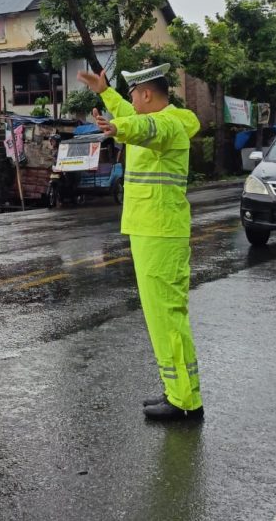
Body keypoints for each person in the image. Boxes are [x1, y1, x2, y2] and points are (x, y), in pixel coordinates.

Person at [77, 63, 204, 422]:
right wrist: (106, 93)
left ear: (147, 94)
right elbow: (132, 114)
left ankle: (185, 402)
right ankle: (178, 392)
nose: (131, 100)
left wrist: (118, 127)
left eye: (134, 94)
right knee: (160, 317)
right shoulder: (162, 117)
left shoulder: (168, 124)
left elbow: (145, 125)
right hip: (152, 229)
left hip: (160, 232)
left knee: (167, 316)